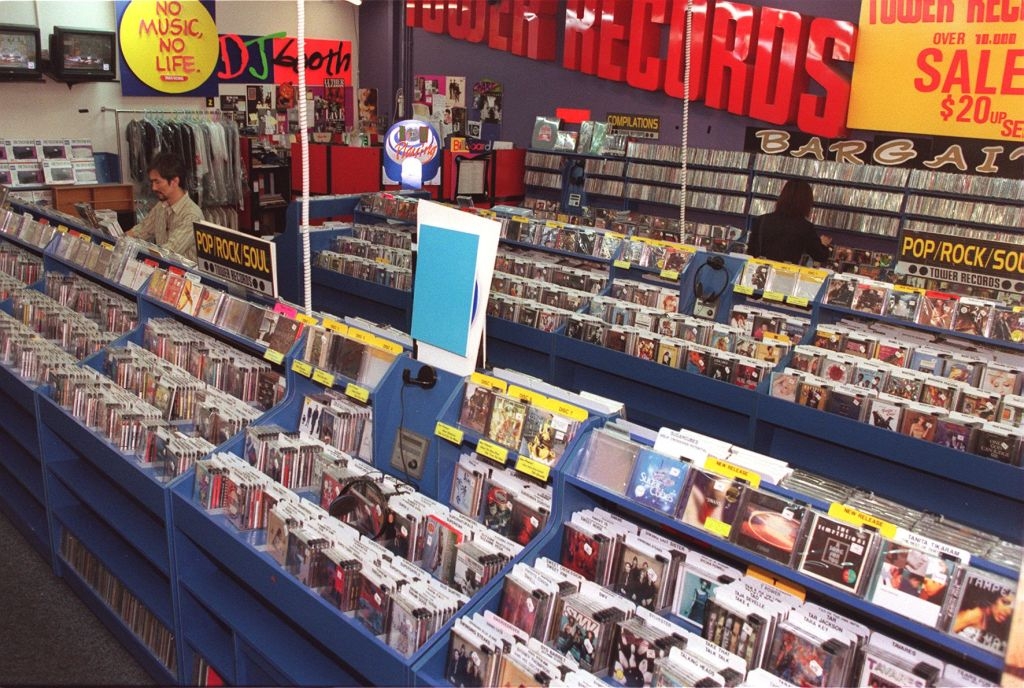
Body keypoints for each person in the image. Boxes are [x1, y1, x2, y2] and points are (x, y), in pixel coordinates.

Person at [126, 152, 204, 261]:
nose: (153, 188)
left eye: (157, 182)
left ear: (174, 181)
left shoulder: (192, 215)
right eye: (152, 182)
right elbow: (141, 230)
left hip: (184, 276)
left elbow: (169, 252)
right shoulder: (161, 207)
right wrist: (119, 240)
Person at [747, 179, 832, 265]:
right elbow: (820, 256)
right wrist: (824, 245)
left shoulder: (762, 220)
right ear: (806, 202)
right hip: (786, 274)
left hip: (760, 271)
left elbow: (751, 251)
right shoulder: (805, 227)